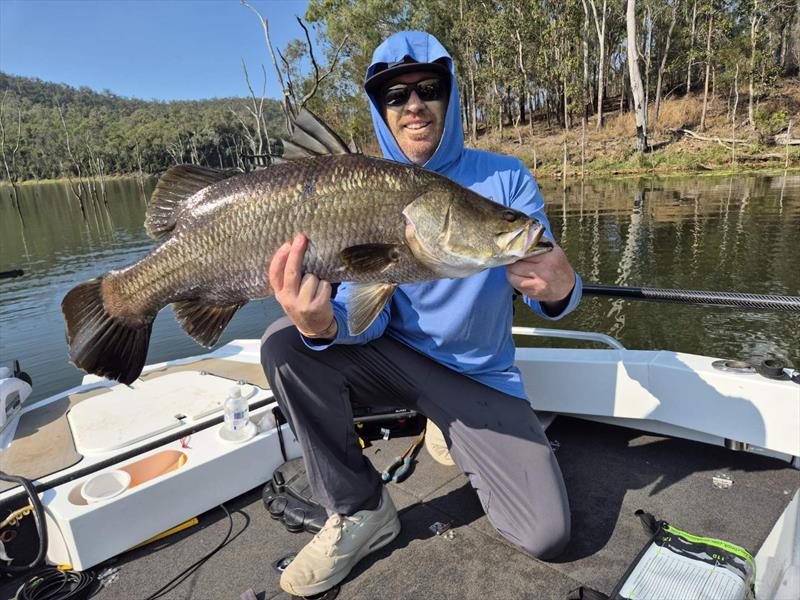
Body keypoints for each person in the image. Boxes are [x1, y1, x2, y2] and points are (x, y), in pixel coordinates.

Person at [261, 31, 582, 597]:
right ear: (381, 109)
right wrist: (323, 325)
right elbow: (366, 316)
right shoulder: (356, 189)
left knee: (547, 535)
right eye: (395, 95)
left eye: (429, 89)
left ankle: (448, 421)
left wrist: (562, 286)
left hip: (477, 376)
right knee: (285, 344)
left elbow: (545, 288)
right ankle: (360, 508)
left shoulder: (506, 178)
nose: (414, 105)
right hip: (392, 360)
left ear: (450, 97)